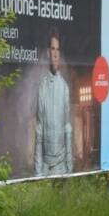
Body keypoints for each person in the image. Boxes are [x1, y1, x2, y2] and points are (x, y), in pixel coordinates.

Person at [35, 27, 73, 176]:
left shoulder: (64, 87)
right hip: (45, 167)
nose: (56, 54)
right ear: (48, 52)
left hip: (62, 166)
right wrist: (38, 173)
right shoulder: (42, 87)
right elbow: (39, 130)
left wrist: (69, 169)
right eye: (53, 49)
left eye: (58, 50)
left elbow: (67, 128)